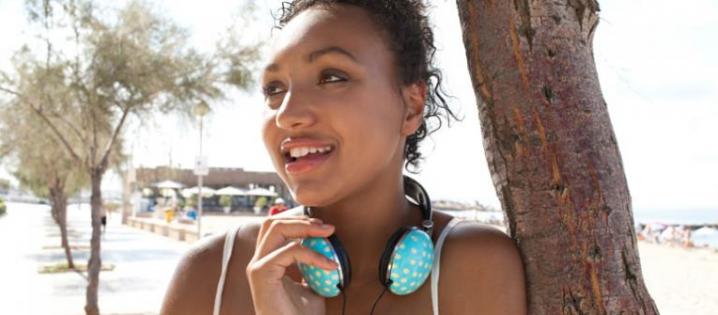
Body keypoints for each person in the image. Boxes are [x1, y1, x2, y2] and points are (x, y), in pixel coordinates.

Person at [161, 1, 526, 314]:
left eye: (332, 77)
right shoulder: (210, 273)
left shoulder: (475, 267)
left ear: (412, 106)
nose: (287, 114)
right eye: (274, 89)